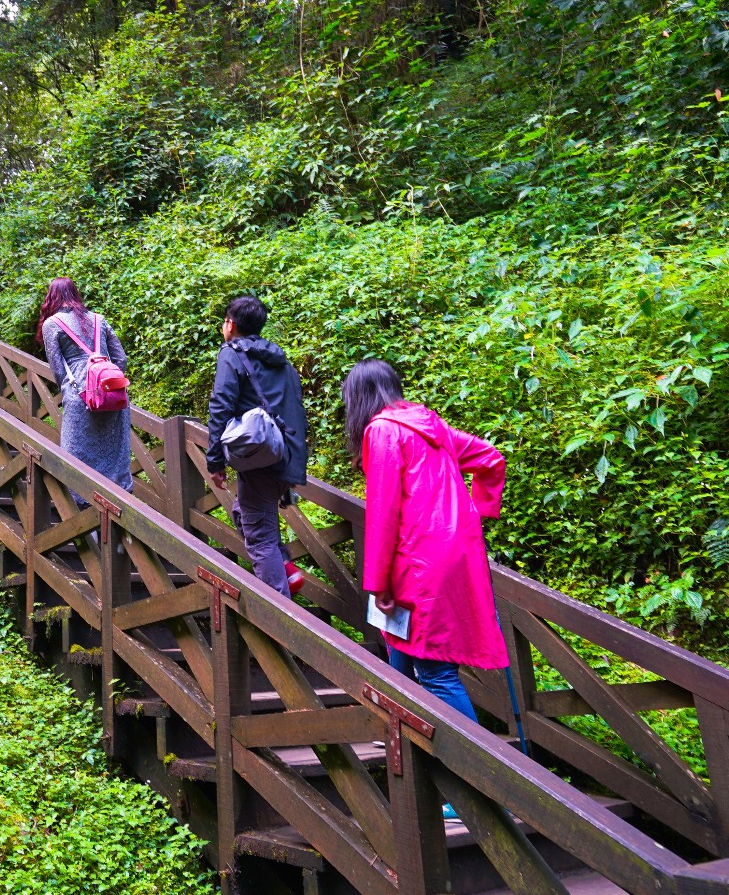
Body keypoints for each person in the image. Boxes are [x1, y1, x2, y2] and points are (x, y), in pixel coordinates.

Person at [344, 358, 508, 722]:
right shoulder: (430, 425)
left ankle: (479, 767)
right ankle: (394, 728)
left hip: (418, 560)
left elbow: (384, 514)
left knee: (436, 672)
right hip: (455, 553)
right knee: (400, 645)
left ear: (358, 398)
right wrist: (474, 516)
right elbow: (492, 460)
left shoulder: (383, 431)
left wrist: (378, 583)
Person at [205, 294, 307, 596]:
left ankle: (281, 624)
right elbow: (295, 408)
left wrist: (215, 462)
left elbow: (220, 406)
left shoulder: (231, 354)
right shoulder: (280, 360)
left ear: (230, 324)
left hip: (260, 458)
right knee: (244, 512)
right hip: (282, 454)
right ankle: (285, 570)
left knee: (260, 538)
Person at [38, 277, 133, 492]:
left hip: (81, 395)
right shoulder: (99, 319)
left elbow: (58, 369)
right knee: (114, 457)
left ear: (52, 297)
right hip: (114, 396)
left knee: (77, 456)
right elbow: (121, 359)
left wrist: (73, 390)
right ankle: (118, 509)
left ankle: (81, 513)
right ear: (75, 295)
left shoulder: (52, 324)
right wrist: (107, 384)